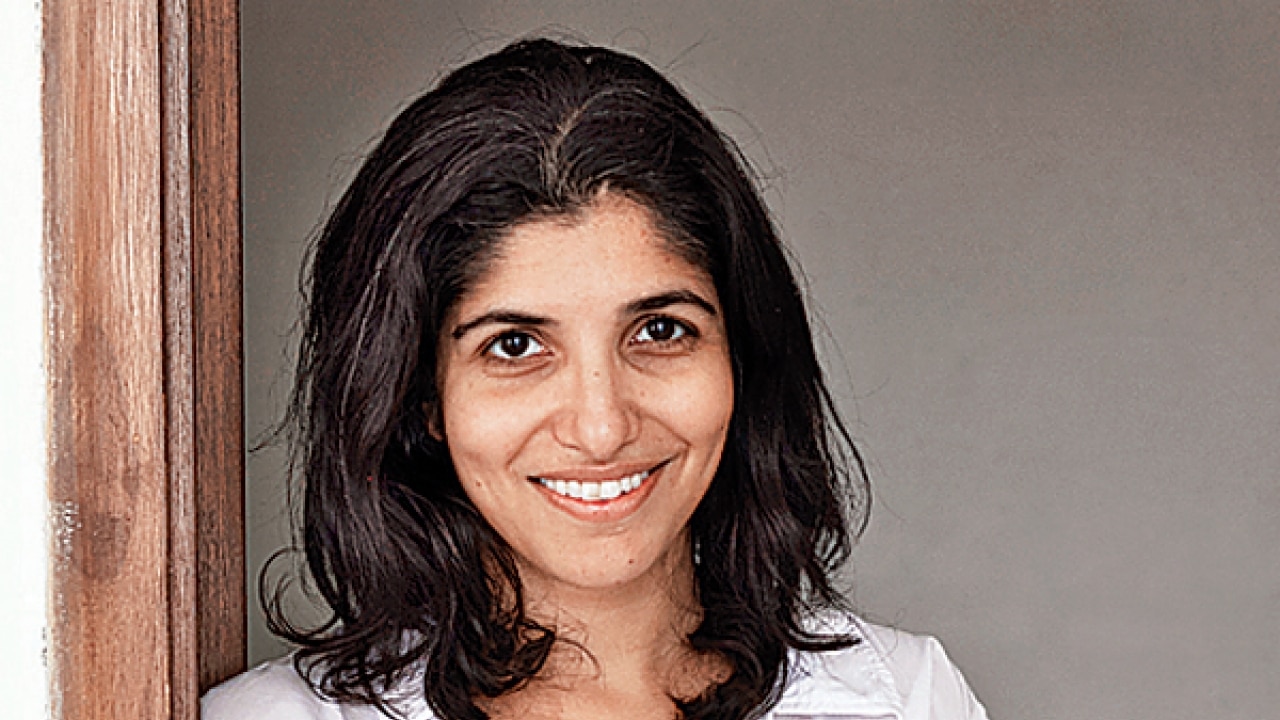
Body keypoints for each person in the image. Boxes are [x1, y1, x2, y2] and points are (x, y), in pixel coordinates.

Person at [204, 38, 990, 720]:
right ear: (422, 394)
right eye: (516, 346)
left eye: (660, 331)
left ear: (741, 355)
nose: (602, 425)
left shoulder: (903, 700)